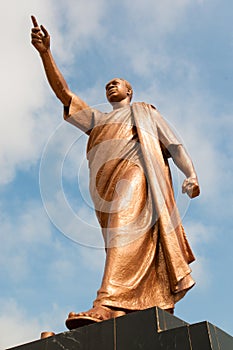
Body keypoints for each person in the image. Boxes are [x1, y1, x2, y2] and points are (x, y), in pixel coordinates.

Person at [31, 16, 200, 330]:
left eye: (117, 82)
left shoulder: (145, 113)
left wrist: (190, 174)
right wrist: (45, 53)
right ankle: (128, 307)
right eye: (108, 83)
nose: (111, 85)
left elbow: (174, 145)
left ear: (129, 91)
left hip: (138, 177)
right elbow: (64, 93)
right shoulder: (96, 119)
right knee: (120, 242)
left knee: (124, 228)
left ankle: (105, 303)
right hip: (104, 191)